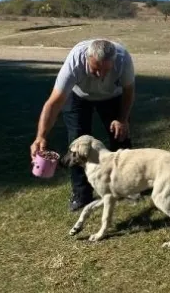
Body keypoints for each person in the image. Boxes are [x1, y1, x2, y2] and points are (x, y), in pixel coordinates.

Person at [30, 39, 135, 211]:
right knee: (77, 143)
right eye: (95, 69)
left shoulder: (123, 59)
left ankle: (129, 185)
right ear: (87, 59)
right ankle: (81, 195)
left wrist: (122, 119)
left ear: (113, 62)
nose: (101, 75)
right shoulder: (74, 62)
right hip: (78, 96)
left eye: (106, 70)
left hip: (112, 96)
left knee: (121, 137)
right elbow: (53, 103)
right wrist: (40, 136)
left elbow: (129, 93)